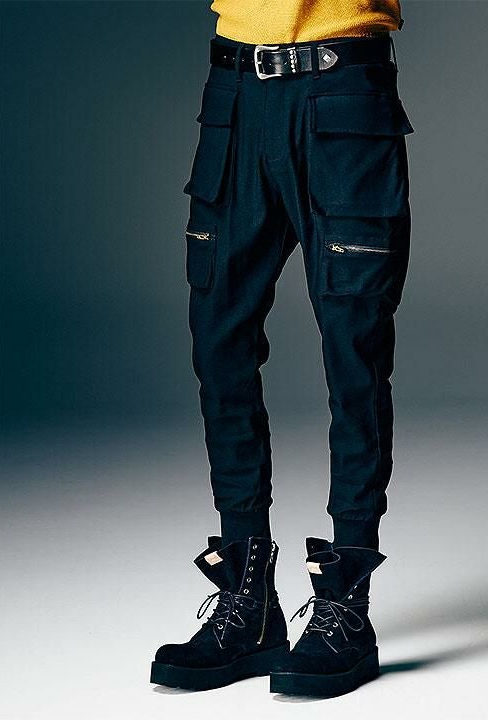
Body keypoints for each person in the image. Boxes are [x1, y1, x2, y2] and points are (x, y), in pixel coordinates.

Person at [150, 0, 414, 697]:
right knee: (218, 341)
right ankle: (248, 604)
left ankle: (345, 607)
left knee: (354, 352)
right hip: (235, 91)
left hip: (342, 89)